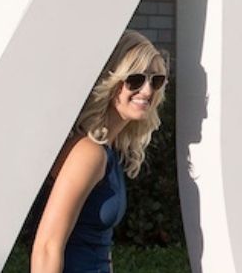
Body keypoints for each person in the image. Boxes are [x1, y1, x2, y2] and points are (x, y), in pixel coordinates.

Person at [32, 31, 169, 272]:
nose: (147, 91)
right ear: (113, 81)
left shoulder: (109, 153)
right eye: (135, 80)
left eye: (155, 80)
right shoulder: (88, 153)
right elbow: (47, 246)